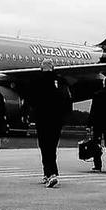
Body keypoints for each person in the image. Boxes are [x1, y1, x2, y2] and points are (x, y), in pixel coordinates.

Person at [31, 59, 72, 188]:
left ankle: (50, 173)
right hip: (57, 119)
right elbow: (68, 99)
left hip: (42, 118)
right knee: (52, 146)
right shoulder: (61, 81)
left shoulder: (37, 81)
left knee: (44, 146)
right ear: (53, 68)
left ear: (42, 68)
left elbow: (32, 100)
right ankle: (49, 172)